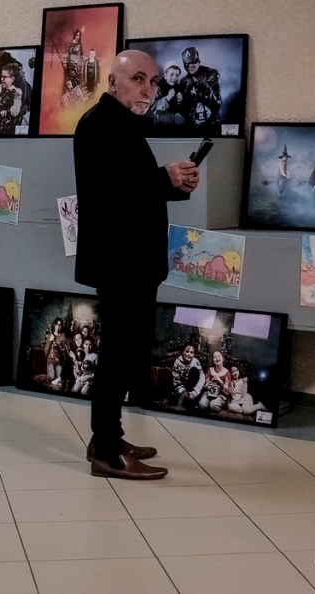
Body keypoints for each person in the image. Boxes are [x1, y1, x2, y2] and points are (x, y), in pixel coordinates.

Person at [73, 49, 199, 481]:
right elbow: (109, 194)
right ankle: (107, 452)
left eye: (154, 81)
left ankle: (108, 437)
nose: (149, 89)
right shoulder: (99, 124)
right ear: (113, 82)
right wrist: (165, 177)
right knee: (117, 355)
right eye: (138, 79)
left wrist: (175, 183)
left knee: (127, 351)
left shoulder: (123, 125)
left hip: (134, 260)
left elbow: (134, 191)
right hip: (119, 261)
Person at [177, 46, 222, 126]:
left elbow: (218, 103)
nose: (191, 66)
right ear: (184, 64)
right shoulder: (183, 82)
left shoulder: (211, 74)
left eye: (193, 62)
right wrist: (180, 102)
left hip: (212, 123)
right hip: (192, 125)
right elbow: (182, 110)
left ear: (198, 61)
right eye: (187, 63)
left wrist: (207, 90)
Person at [172, 344, 205, 409]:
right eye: (187, 351)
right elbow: (175, 379)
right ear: (183, 352)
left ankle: (191, 399)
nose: (189, 354)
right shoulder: (177, 362)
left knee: (194, 370)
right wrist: (182, 391)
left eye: (191, 352)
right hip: (181, 386)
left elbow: (202, 377)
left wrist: (195, 392)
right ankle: (183, 398)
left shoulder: (195, 361)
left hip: (192, 387)